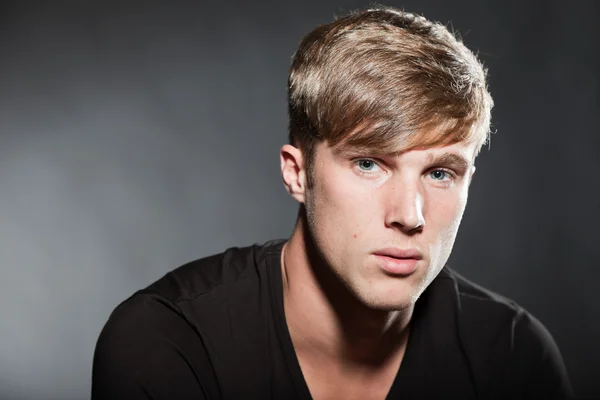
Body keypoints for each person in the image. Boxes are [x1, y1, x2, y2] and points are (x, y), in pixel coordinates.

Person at [91, 6, 573, 399]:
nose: (410, 215)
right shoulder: (169, 343)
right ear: (297, 173)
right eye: (368, 164)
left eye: (440, 173)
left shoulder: (513, 358)